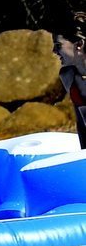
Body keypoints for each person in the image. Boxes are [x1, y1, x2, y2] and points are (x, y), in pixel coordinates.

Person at [53, 11, 86, 148]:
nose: (54, 51)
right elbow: (82, 126)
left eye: (58, 45)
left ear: (79, 44)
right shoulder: (68, 77)